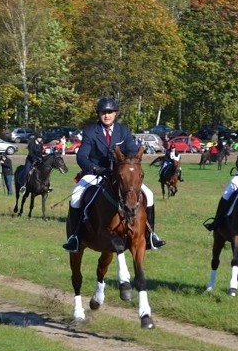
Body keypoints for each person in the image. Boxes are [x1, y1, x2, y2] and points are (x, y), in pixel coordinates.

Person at [63, 97, 166, 253]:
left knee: (149, 195)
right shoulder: (91, 131)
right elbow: (82, 156)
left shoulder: (122, 130)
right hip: (96, 173)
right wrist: (95, 169)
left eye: (110, 112)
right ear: (99, 114)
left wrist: (127, 160)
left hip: (120, 175)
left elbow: (131, 148)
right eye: (103, 112)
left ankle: (150, 235)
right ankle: (75, 237)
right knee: (76, 196)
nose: (106, 115)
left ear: (115, 114)